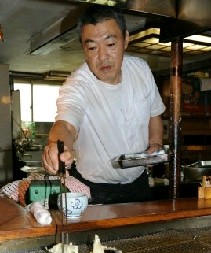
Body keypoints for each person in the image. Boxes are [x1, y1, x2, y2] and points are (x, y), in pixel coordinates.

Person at [42, 4, 166, 204]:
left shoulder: (141, 70)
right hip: (95, 188)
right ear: (84, 48)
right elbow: (65, 124)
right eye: (92, 47)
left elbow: (154, 113)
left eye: (110, 44)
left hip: (139, 183)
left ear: (125, 39)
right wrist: (58, 147)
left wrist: (155, 143)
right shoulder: (77, 85)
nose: (102, 57)